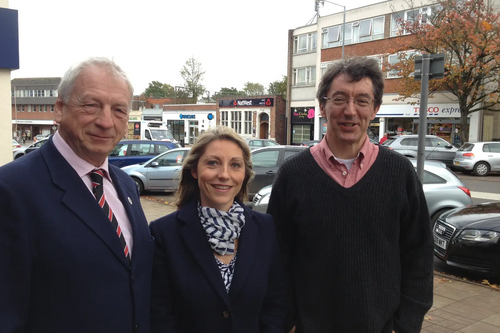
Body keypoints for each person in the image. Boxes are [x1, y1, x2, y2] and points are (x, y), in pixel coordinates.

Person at [267, 57, 433, 333]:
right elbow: (276, 258)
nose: (350, 111)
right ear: (323, 106)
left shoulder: (400, 173)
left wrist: (404, 325)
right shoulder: (292, 175)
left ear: (375, 109)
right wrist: (288, 321)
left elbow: (419, 257)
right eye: (340, 99)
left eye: (362, 101)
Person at [0, 57, 154, 333]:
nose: (106, 121)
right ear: (59, 109)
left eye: (118, 110)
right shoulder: (11, 190)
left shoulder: (125, 184)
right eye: (91, 105)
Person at [150, 126, 287, 333]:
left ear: (244, 174)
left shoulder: (265, 227)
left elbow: (276, 303)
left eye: (235, 165)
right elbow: (160, 316)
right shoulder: (164, 233)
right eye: (213, 163)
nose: (224, 175)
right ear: (194, 170)